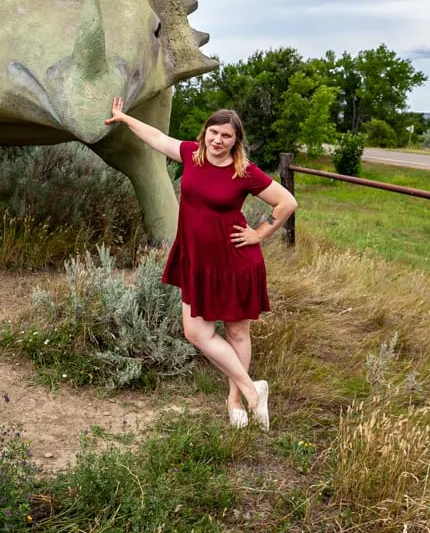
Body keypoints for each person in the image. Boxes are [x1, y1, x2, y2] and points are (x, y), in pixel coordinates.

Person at [105, 99, 297, 430]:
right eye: (213, 132)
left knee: (236, 330)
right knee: (196, 332)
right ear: (205, 132)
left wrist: (259, 234)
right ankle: (254, 390)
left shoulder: (244, 172)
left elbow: (287, 202)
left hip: (235, 263)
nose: (217, 140)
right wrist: (124, 118)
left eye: (226, 135)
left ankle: (235, 400)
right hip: (197, 260)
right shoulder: (191, 155)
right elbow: (155, 137)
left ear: (236, 141)